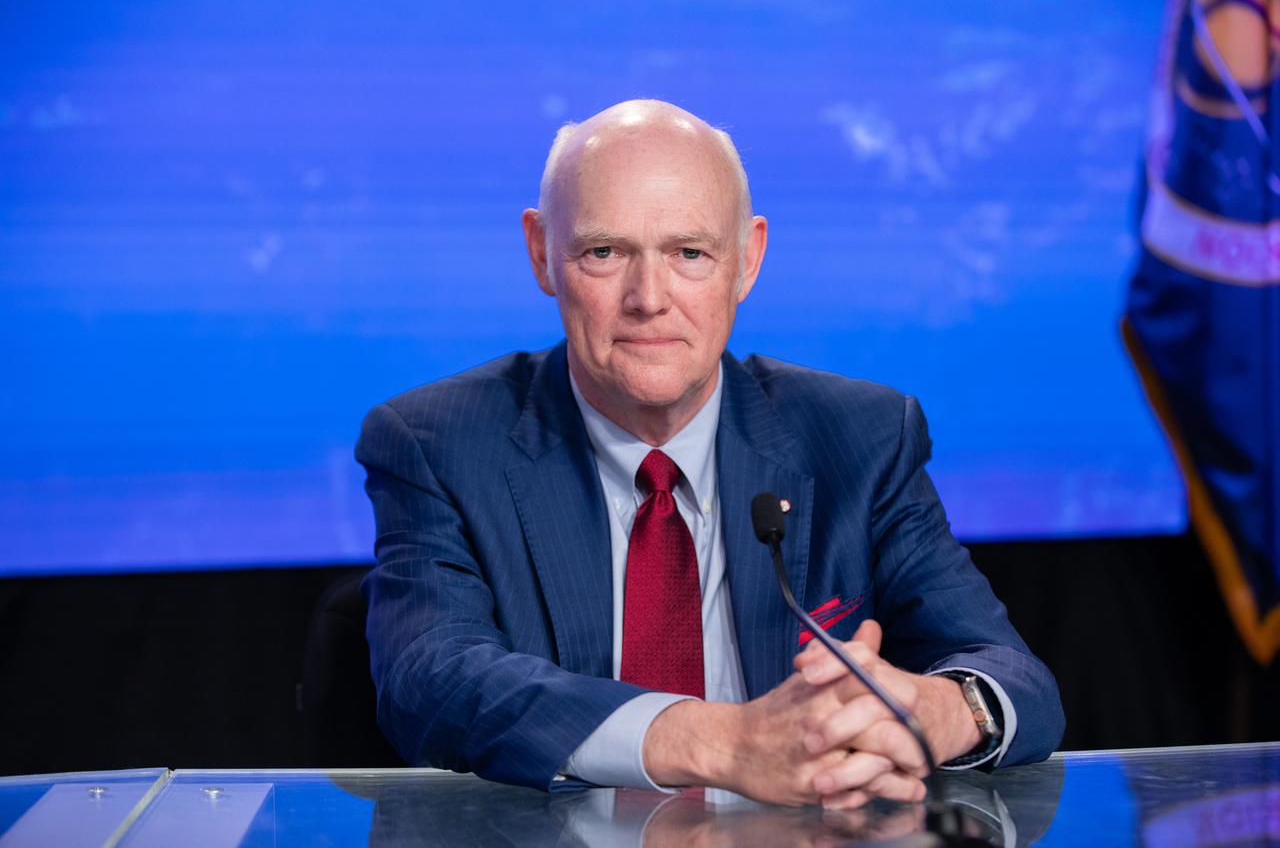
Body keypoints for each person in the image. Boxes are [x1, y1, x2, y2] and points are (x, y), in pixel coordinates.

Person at [356, 99, 1064, 809]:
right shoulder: (437, 442)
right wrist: (724, 742)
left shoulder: (863, 437)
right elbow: (432, 679)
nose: (649, 298)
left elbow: (1016, 679)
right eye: (604, 252)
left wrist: (931, 712)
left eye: (689, 253)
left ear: (747, 259)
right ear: (542, 252)